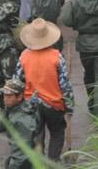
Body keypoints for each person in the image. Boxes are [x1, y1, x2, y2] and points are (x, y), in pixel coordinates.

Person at [13, 19, 73, 161]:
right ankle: (53, 162)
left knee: (36, 136)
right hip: (54, 104)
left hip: (31, 104)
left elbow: (17, 80)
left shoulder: (24, 56)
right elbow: (65, 85)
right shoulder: (56, 56)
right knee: (57, 133)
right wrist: (70, 105)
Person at [0, 79, 41, 169]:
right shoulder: (18, 106)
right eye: (4, 95)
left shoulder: (22, 121)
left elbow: (21, 154)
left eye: (9, 96)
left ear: (20, 96)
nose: (5, 99)